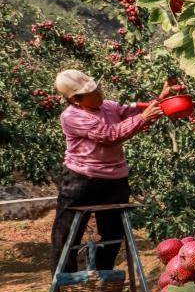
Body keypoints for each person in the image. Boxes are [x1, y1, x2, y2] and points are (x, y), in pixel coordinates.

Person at [50, 69, 170, 274]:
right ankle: (64, 281)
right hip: (81, 180)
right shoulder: (71, 117)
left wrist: (161, 99)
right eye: (93, 92)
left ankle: (101, 275)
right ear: (76, 100)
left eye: (98, 89)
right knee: (67, 231)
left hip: (115, 180)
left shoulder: (109, 106)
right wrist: (143, 118)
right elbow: (109, 135)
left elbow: (133, 112)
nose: (100, 94)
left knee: (114, 233)